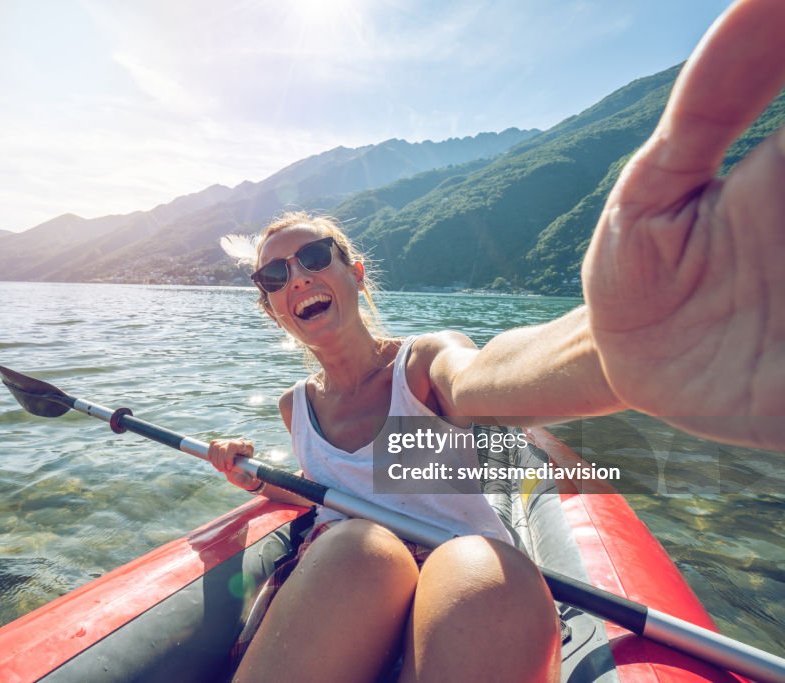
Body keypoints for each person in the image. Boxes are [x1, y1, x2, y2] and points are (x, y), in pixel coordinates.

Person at [207, 0, 785, 680]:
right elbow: (331, 491)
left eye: (314, 255)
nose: (296, 275)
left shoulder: (421, 367)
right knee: (360, 549)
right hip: (348, 600)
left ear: (354, 273)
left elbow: (486, 376)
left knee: (482, 566)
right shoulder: (294, 408)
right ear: (273, 307)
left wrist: (605, 351)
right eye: (274, 274)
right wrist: (248, 472)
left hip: (464, 594)